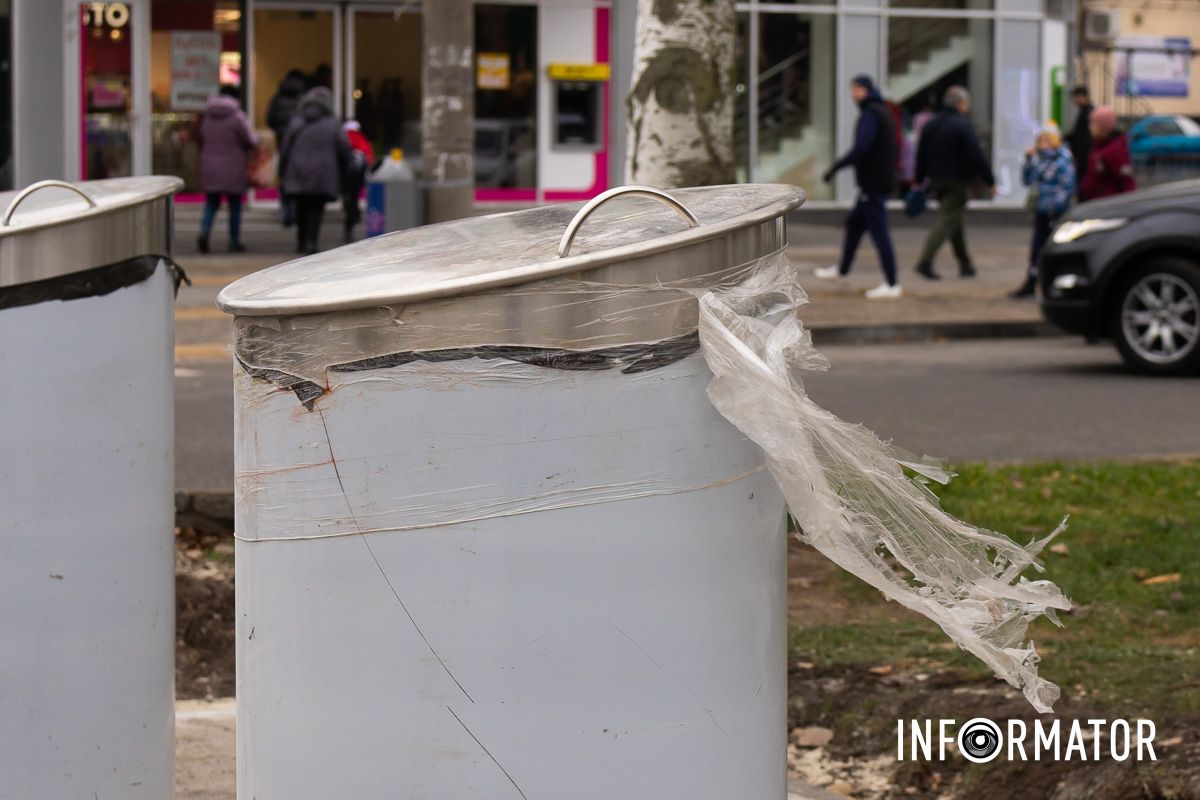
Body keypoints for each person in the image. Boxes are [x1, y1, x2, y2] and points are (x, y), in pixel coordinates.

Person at [815, 75, 902, 300]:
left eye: (857, 89)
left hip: (873, 183)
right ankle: (842, 271)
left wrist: (836, 167)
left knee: (880, 233)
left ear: (867, 90)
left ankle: (892, 283)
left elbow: (861, 148)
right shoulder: (881, 111)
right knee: (854, 224)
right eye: (852, 89)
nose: (853, 94)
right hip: (875, 182)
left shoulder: (871, 114)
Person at [913, 86, 996, 281]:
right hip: (958, 181)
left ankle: (965, 265)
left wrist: (919, 179)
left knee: (953, 221)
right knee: (947, 220)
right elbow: (976, 155)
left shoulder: (931, 124)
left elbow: (921, 154)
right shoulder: (962, 125)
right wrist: (989, 180)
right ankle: (925, 261)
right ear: (961, 103)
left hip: (937, 180)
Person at [279, 87, 351, 255]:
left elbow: (285, 148)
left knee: (301, 206)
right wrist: (344, 170)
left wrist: (281, 171)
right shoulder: (333, 123)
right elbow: (344, 148)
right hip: (322, 172)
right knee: (315, 209)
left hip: (297, 170)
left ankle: (301, 241)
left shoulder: (297, 121)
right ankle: (311, 242)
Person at [1011, 123, 1075, 299]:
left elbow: (1067, 185)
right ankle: (1032, 281)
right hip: (1041, 210)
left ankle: (1054, 284)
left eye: (1047, 140)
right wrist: (1028, 160)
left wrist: (1057, 206)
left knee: (1055, 249)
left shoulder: (1062, 160)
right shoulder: (1037, 160)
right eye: (1041, 140)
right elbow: (1027, 180)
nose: (1043, 144)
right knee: (1037, 248)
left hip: (1055, 212)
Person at [196, 85, 258, 254]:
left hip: (210, 164)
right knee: (235, 205)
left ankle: (204, 230)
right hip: (233, 166)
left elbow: (201, 137)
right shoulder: (237, 116)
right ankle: (234, 241)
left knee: (211, 203)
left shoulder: (207, 116)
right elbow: (249, 140)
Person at [1079, 105, 1135, 202]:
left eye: (1093, 124)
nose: (1090, 128)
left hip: (1108, 205)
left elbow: (1126, 182)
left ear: (1103, 128)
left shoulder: (1114, 150)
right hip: (1094, 202)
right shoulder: (1098, 146)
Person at [341, 120, 375, 243]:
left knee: (349, 199)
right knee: (353, 200)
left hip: (344, 178)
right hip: (358, 180)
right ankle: (351, 223)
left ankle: (349, 209)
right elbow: (370, 159)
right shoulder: (363, 141)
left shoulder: (342, 140)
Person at [1065, 86, 1093, 197]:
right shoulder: (1084, 111)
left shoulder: (1088, 112)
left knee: (1083, 180)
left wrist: (1068, 138)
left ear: (1082, 97)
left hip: (1083, 154)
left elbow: (1082, 135)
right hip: (1081, 154)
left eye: (1076, 97)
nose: (1074, 101)